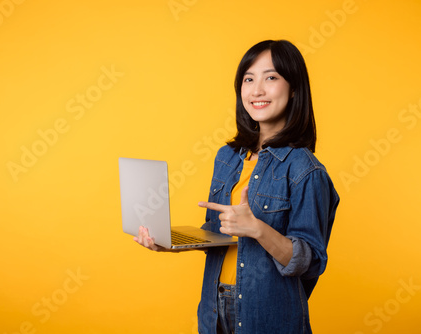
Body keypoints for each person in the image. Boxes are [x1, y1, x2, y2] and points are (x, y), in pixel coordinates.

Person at [134, 39, 339, 334]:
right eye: (248, 79)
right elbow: (217, 236)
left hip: (268, 316)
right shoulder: (227, 157)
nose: (257, 90)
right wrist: (169, 243)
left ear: (294, 88)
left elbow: (311, 262)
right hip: (214, 310)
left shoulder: (305, 170)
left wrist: (258, 229)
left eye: (271, 78)